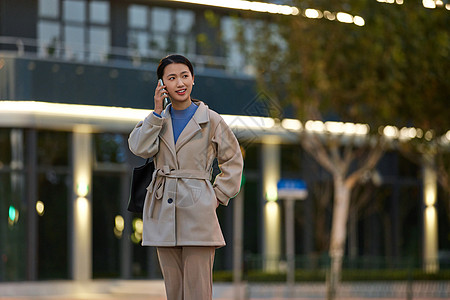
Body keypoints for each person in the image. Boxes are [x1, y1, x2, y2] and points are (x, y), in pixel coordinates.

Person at [128, 54, 243, 300]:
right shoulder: (157, 120)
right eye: (172, 78)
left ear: (193, 80)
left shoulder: (210, 119)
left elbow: (233, 160)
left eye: (185, 76)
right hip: (163, 212)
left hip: (198, 211)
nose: (180, 83)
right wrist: (156, 113)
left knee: (198, 291)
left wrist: (216, 196)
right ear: (162, 85)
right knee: (174, 291)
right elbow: (139, 147)